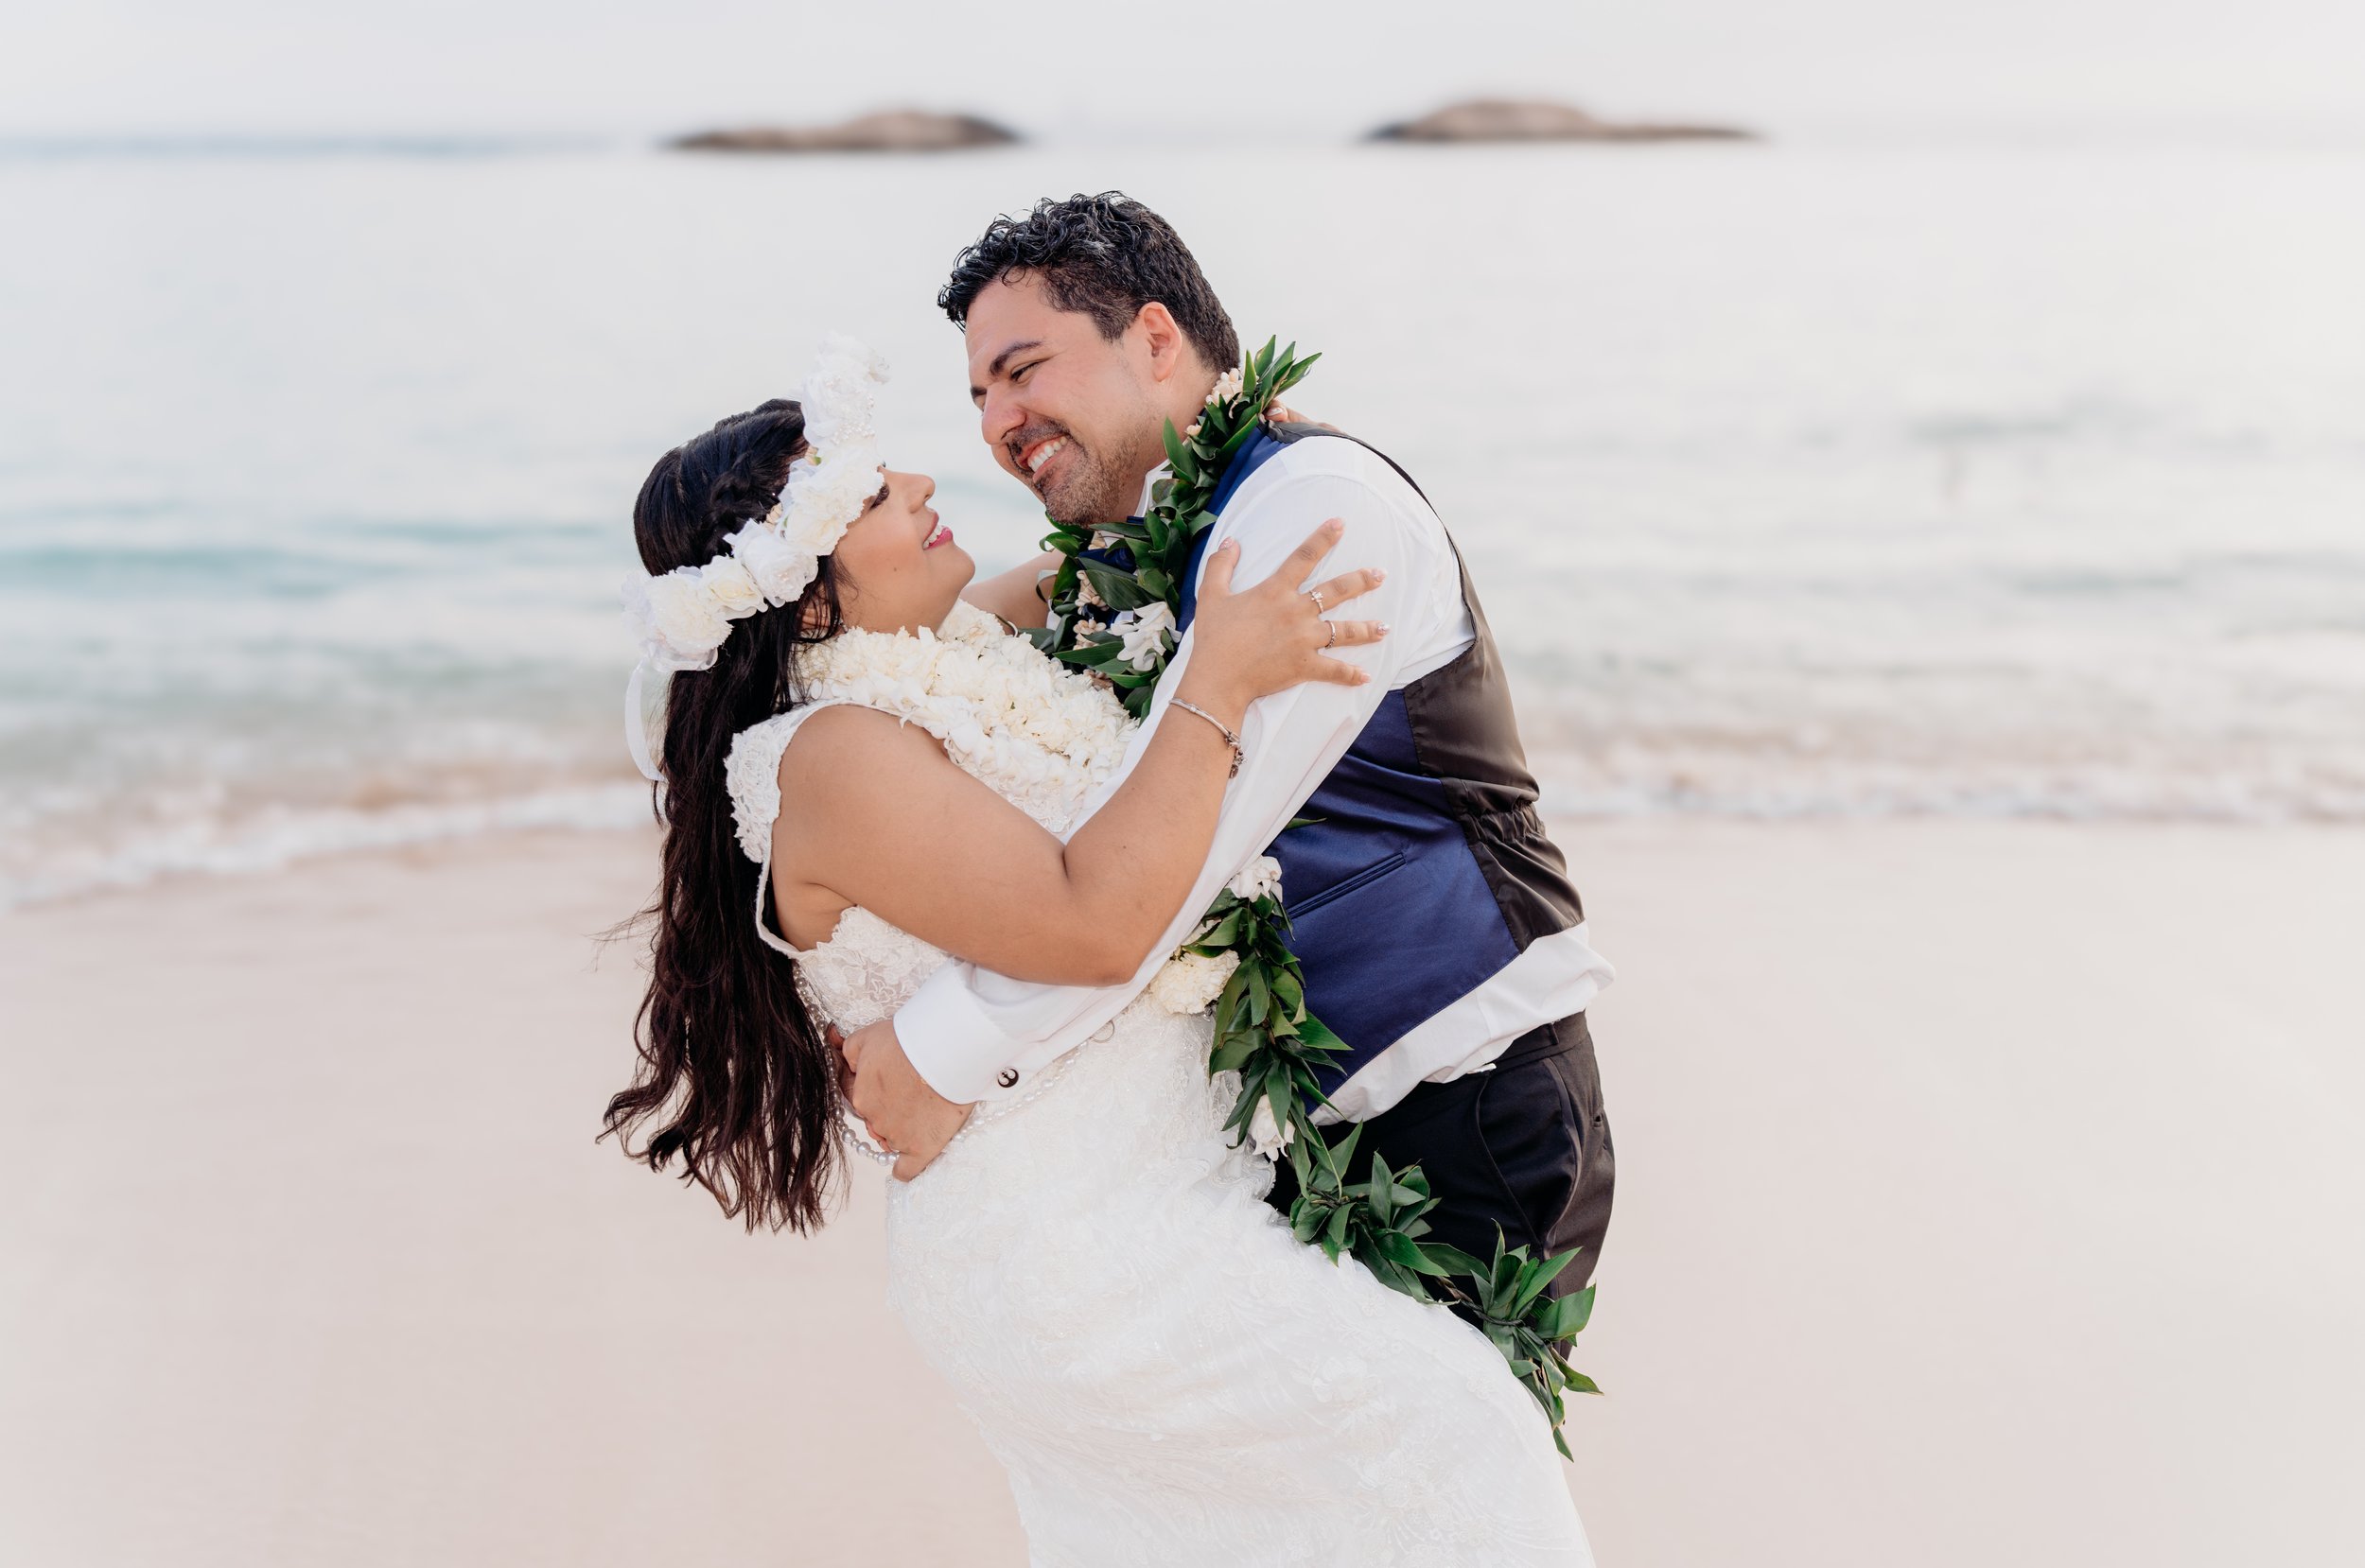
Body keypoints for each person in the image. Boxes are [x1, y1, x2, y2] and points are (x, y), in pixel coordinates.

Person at [606, 337, 1591, 1562]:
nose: (918, 482)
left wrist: (1227, 437)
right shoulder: (833, 754)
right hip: (1075, 1252)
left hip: (1168, 1195)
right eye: (867, 494)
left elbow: (1126, 555)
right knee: (1458, 1443)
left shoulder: (949, 649)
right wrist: (1217, 684)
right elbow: (1091, 921)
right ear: (808, 598)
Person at [839, 192, 1618, 1315]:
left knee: (1425, 1487)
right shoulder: (1143, 543)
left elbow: (1184, 846)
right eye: (978, 392)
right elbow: (950, 669)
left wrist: (940, 1054)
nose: (996, 421)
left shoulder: (1311, 516)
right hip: (1301, 1128)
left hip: (1467, 1115)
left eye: (1023, 369)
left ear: (1155, 340)